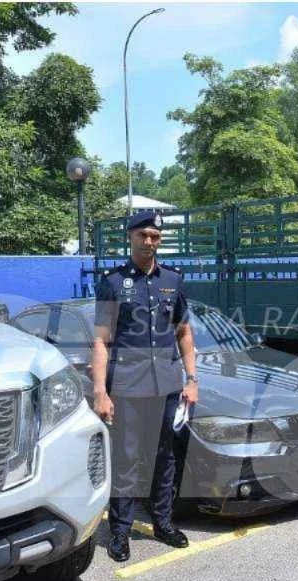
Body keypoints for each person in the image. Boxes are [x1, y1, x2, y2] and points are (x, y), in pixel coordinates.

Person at [93, 210, 199, 562]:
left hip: (167, 384)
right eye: (144, 236)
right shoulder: (112, 282)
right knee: (127, 459)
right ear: (131, 237)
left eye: (155, 236)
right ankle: (120, 531)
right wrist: (101, 392)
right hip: (128, 385)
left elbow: (183, 332)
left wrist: (191, 379)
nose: (150, 242)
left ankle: (163, 523)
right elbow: (101, 341)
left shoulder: (173, 279)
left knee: (165, 456)